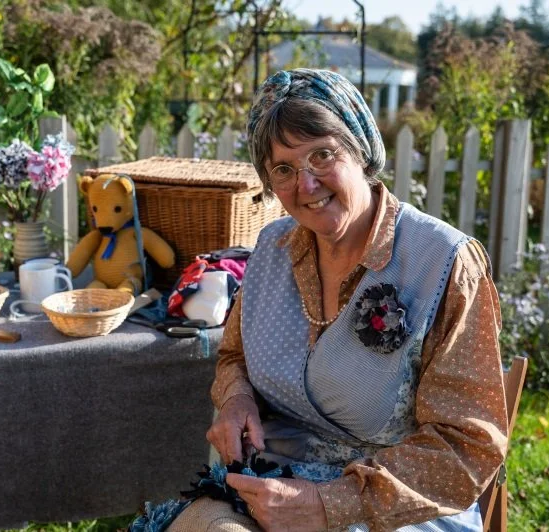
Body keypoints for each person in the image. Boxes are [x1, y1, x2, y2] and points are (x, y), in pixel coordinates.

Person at [167, 69, 508, 531]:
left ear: (361, 149)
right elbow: (234, 356)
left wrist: (329, 504)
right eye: (283, 170)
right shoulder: (272, 249)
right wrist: (236, 399)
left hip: (393, 507)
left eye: (322, 155)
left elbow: (467, 446)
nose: (306, 186)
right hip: (272, 486)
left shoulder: (442, 263)